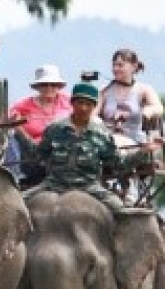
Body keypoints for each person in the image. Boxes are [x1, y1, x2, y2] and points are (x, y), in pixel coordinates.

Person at [23, 82, 161, 215]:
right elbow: (37, 155)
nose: (83, 108)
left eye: (88, 104)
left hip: (89, 187)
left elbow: (119, 164)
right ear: (72, 103)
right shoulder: (55, 129)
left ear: (94, 106)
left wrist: (144, 151)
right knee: (18, 203)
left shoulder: (101, 134)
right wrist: (19, 132)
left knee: (121, 211)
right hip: (53, 184)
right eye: (80, 103)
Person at [6, 64, 72, 184]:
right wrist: (15, 125)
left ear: (58, 86)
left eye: (53, 84)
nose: (49, 88)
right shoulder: (23, 105)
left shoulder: (69, 102)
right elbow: (3, 118)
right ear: (37, 87)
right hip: (33, 155)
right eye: (44, 84)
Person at [97, 48, 163, 147]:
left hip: (136, 143)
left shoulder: (144, 89)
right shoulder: (104, 91)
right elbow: (93, 113)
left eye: (120, 65)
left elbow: (158, 108)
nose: (115, 69)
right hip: (108, 142)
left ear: (134, 66)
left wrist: (147, 112)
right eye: (114, 65)